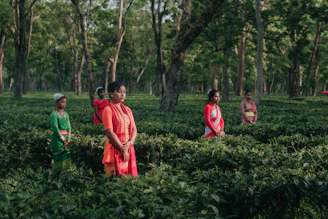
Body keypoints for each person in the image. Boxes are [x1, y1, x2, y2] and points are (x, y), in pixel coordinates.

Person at [102, 81, 138, 177]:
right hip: (115, 147)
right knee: (115, 178)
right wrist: (122, 149)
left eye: (124, 92)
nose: (122, 94)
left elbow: (134, 128)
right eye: (119, 91)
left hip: (128, 146)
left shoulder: (127, 109)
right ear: (111, 93)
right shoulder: (108, 109)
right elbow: (109, 132)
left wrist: (130, 142)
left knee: (129, 177)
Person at [50, 93, 71, 174]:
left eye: (65, 102)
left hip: (66, 138)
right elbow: (55, 128)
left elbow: (69, 126)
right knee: (58, 155)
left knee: (66, 155)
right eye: (62, 102)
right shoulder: (54, 114)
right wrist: (62, 139)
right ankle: (57, 174)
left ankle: (65, 173)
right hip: (57, 139)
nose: (64, 104)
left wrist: (69, 138)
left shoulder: (66, 114)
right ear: (57, 102)